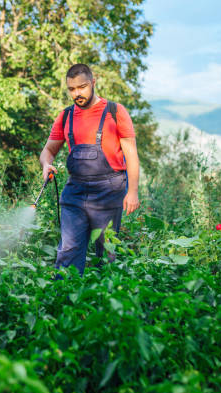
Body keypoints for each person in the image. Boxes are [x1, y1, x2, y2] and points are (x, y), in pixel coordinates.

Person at [39, 63, 140, 275]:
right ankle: (64, 299)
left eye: (82, 87)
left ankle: (106, 303)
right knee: (67, 251)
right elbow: (48, 150)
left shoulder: (115, 111)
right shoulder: (65, 116)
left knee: (107, 254)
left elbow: (131, 154)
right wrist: (46, 164)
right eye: (72, 89)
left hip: (110, 192)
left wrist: (132, 192)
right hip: (75, 192)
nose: (77, 93)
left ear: (93, 83)